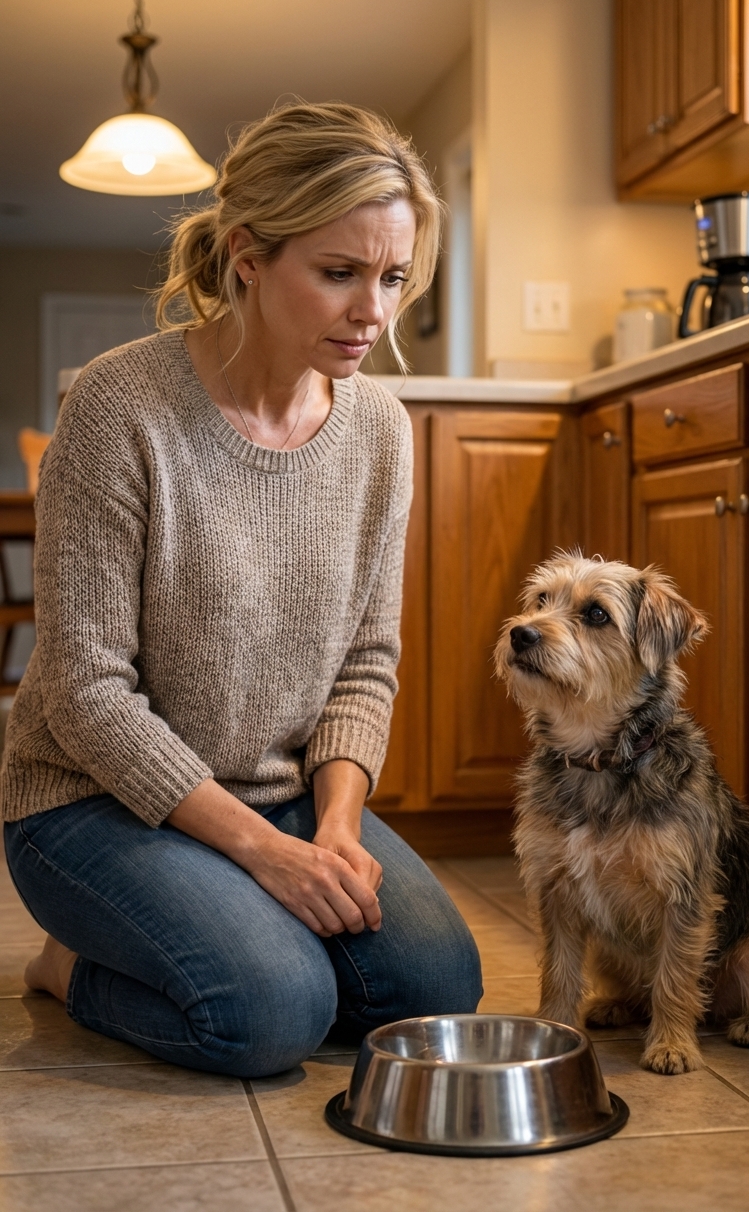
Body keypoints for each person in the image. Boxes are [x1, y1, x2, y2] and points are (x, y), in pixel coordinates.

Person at [1, 102, 482, 1077]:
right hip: (88, 804)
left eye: (393, 277)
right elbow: (87, 689)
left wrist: (335, 830)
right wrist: (265, 855)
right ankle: (68, 966)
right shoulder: (117, 403)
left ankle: (238, 912)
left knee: (433, 992)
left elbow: (366, 661)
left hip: (285, 791)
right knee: (274, 1011)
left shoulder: (382, 431)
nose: (374, 313)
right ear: (248, 255)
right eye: (340, 273)